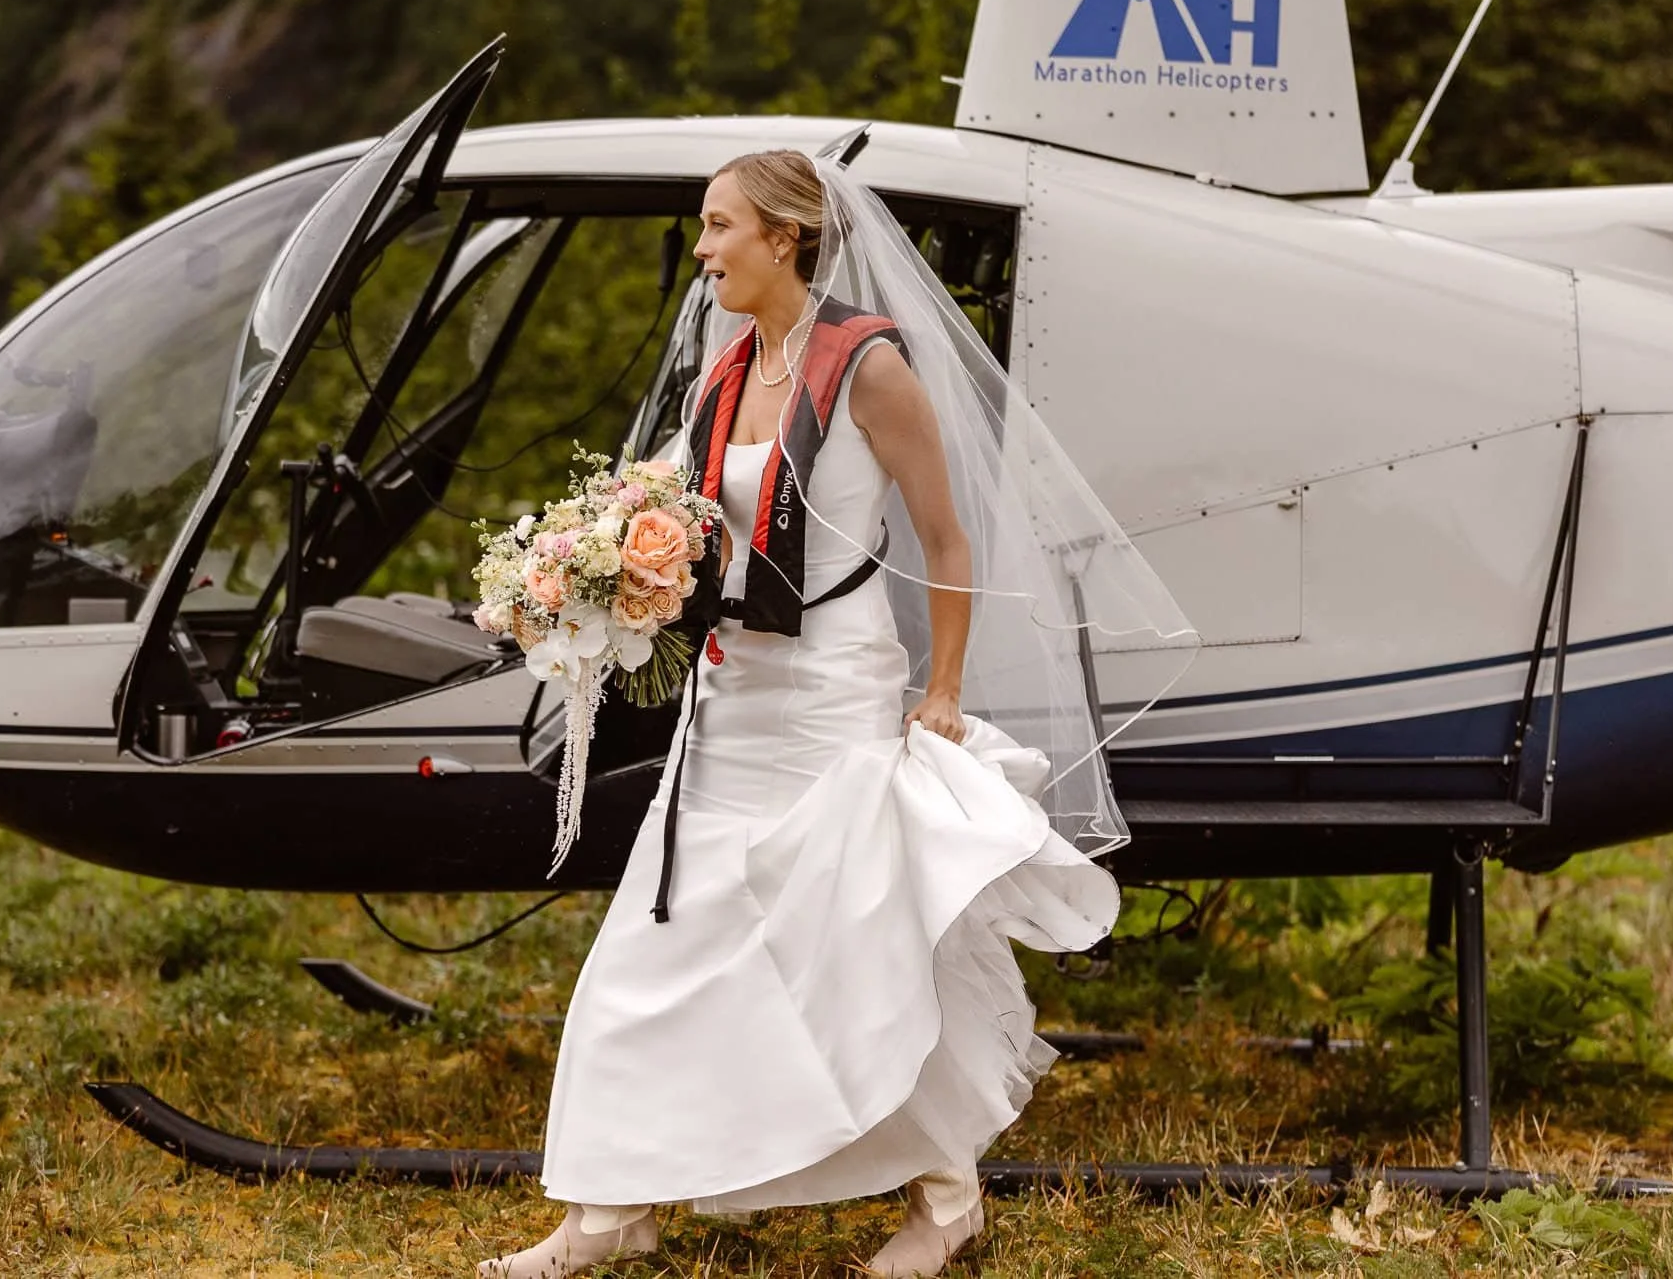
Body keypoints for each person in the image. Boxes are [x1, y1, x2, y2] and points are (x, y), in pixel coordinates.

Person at [481, 148, 1195, 1279]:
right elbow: (649, 516)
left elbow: (949, 541)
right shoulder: (720, 376)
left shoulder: (868, 369)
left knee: (855, 958)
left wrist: (944, 688)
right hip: (726, 703)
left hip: (832, 705)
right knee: (651, 944)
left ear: (785, 237)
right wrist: (559, 585)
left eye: (719, 228)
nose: (702, 249)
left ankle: (948, 1200)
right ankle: (611, 1210)